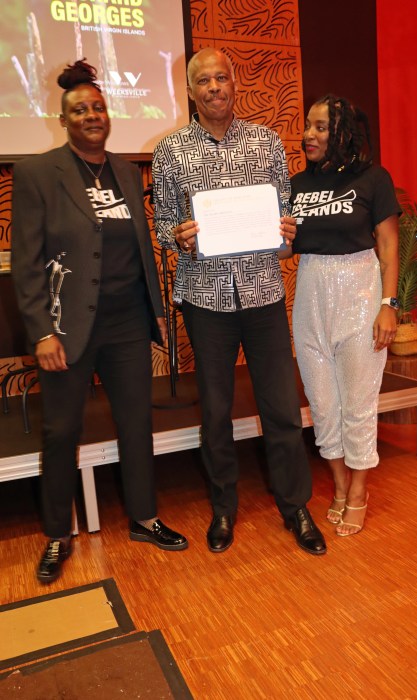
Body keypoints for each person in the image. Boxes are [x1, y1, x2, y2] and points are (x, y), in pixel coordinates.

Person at [12, 60, 188, 584]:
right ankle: (56, 535)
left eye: (97, 107)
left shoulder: (126, 172)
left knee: (137, 423)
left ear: (107, 116)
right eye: (79, 110)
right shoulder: (39, 173)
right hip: (65, 329)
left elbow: (136, 246)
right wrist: (41, 331)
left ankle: (144, 517)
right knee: (61, 429)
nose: (91, 115)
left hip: (127, 322)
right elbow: (26, 261)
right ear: (63, 120)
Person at [152, 47, 326, 555]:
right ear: (190, 91)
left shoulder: (266, 142)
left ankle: (295, 505)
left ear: (234, 83)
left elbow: (284, 218)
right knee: (216, 412)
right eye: (203, 80)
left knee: (281, 408)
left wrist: (286, 229)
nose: (213, 87)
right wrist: (178, 235)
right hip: (205, 299)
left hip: (263, 293)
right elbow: (162, 221)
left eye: (221, 78)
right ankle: (224, 508)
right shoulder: (170, 150)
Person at [290, 94, 400, 536]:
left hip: (360, 292)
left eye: (319, 127)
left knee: (357, 404)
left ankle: (358, 491)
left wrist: (388, 306)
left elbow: (388, 246)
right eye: (307, 126)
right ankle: (337, 485)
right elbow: (286, 246)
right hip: (310, 294)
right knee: (323, 404)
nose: (308, 135)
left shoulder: (374, 179)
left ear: (342, 133)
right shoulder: (298, 184)